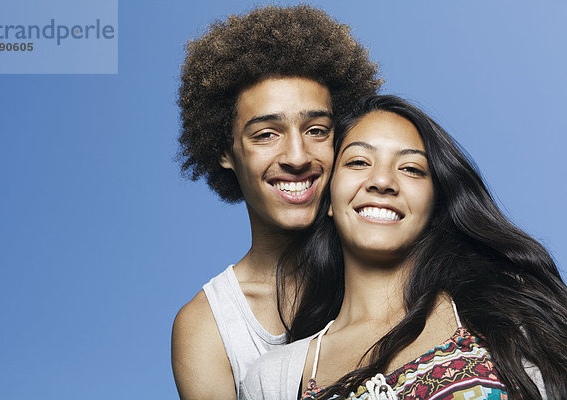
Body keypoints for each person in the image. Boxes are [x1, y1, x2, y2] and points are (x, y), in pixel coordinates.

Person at [241, 95, 567, 399]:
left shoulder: (507, 317)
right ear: (327, 199)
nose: (382, 181)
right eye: (358, 162)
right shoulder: (273, 379)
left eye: (411, 168)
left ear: (435, 204)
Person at [171, 5, 381, 399]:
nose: (298, 156)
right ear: (225, 152)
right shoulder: (209, 327)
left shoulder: (390, 254)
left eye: (317, 130)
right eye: (266, 134)